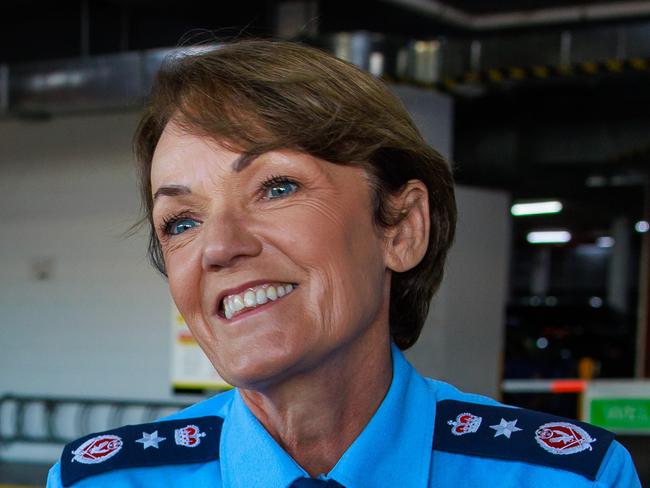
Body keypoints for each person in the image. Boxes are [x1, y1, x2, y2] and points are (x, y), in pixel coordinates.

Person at [47, 40, 641, 487]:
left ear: (402, 228)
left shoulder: (567, 478)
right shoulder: (101, 480)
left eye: (276, 187)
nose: (219, 247)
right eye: (181, 222)